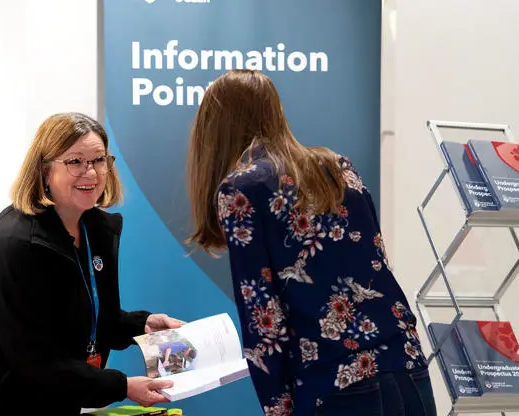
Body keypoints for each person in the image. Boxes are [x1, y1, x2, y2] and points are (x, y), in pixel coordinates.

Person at [185, 70, 438, 416]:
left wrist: (278, 408)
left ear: (214, 128)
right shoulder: (337, 165)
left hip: (332, 383)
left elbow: (263, 315)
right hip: (405, 361)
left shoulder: (241, 188)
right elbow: (376, 261)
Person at [0, 112, 184, 415]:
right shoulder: (14, 242)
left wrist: (142, 326)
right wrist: (122, 386)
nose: (91, 173)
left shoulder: (96, 228)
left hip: (49, 395)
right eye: (75, 162)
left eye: (98, 160)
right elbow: (32, 356)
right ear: (44, 170)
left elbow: (89, 314)